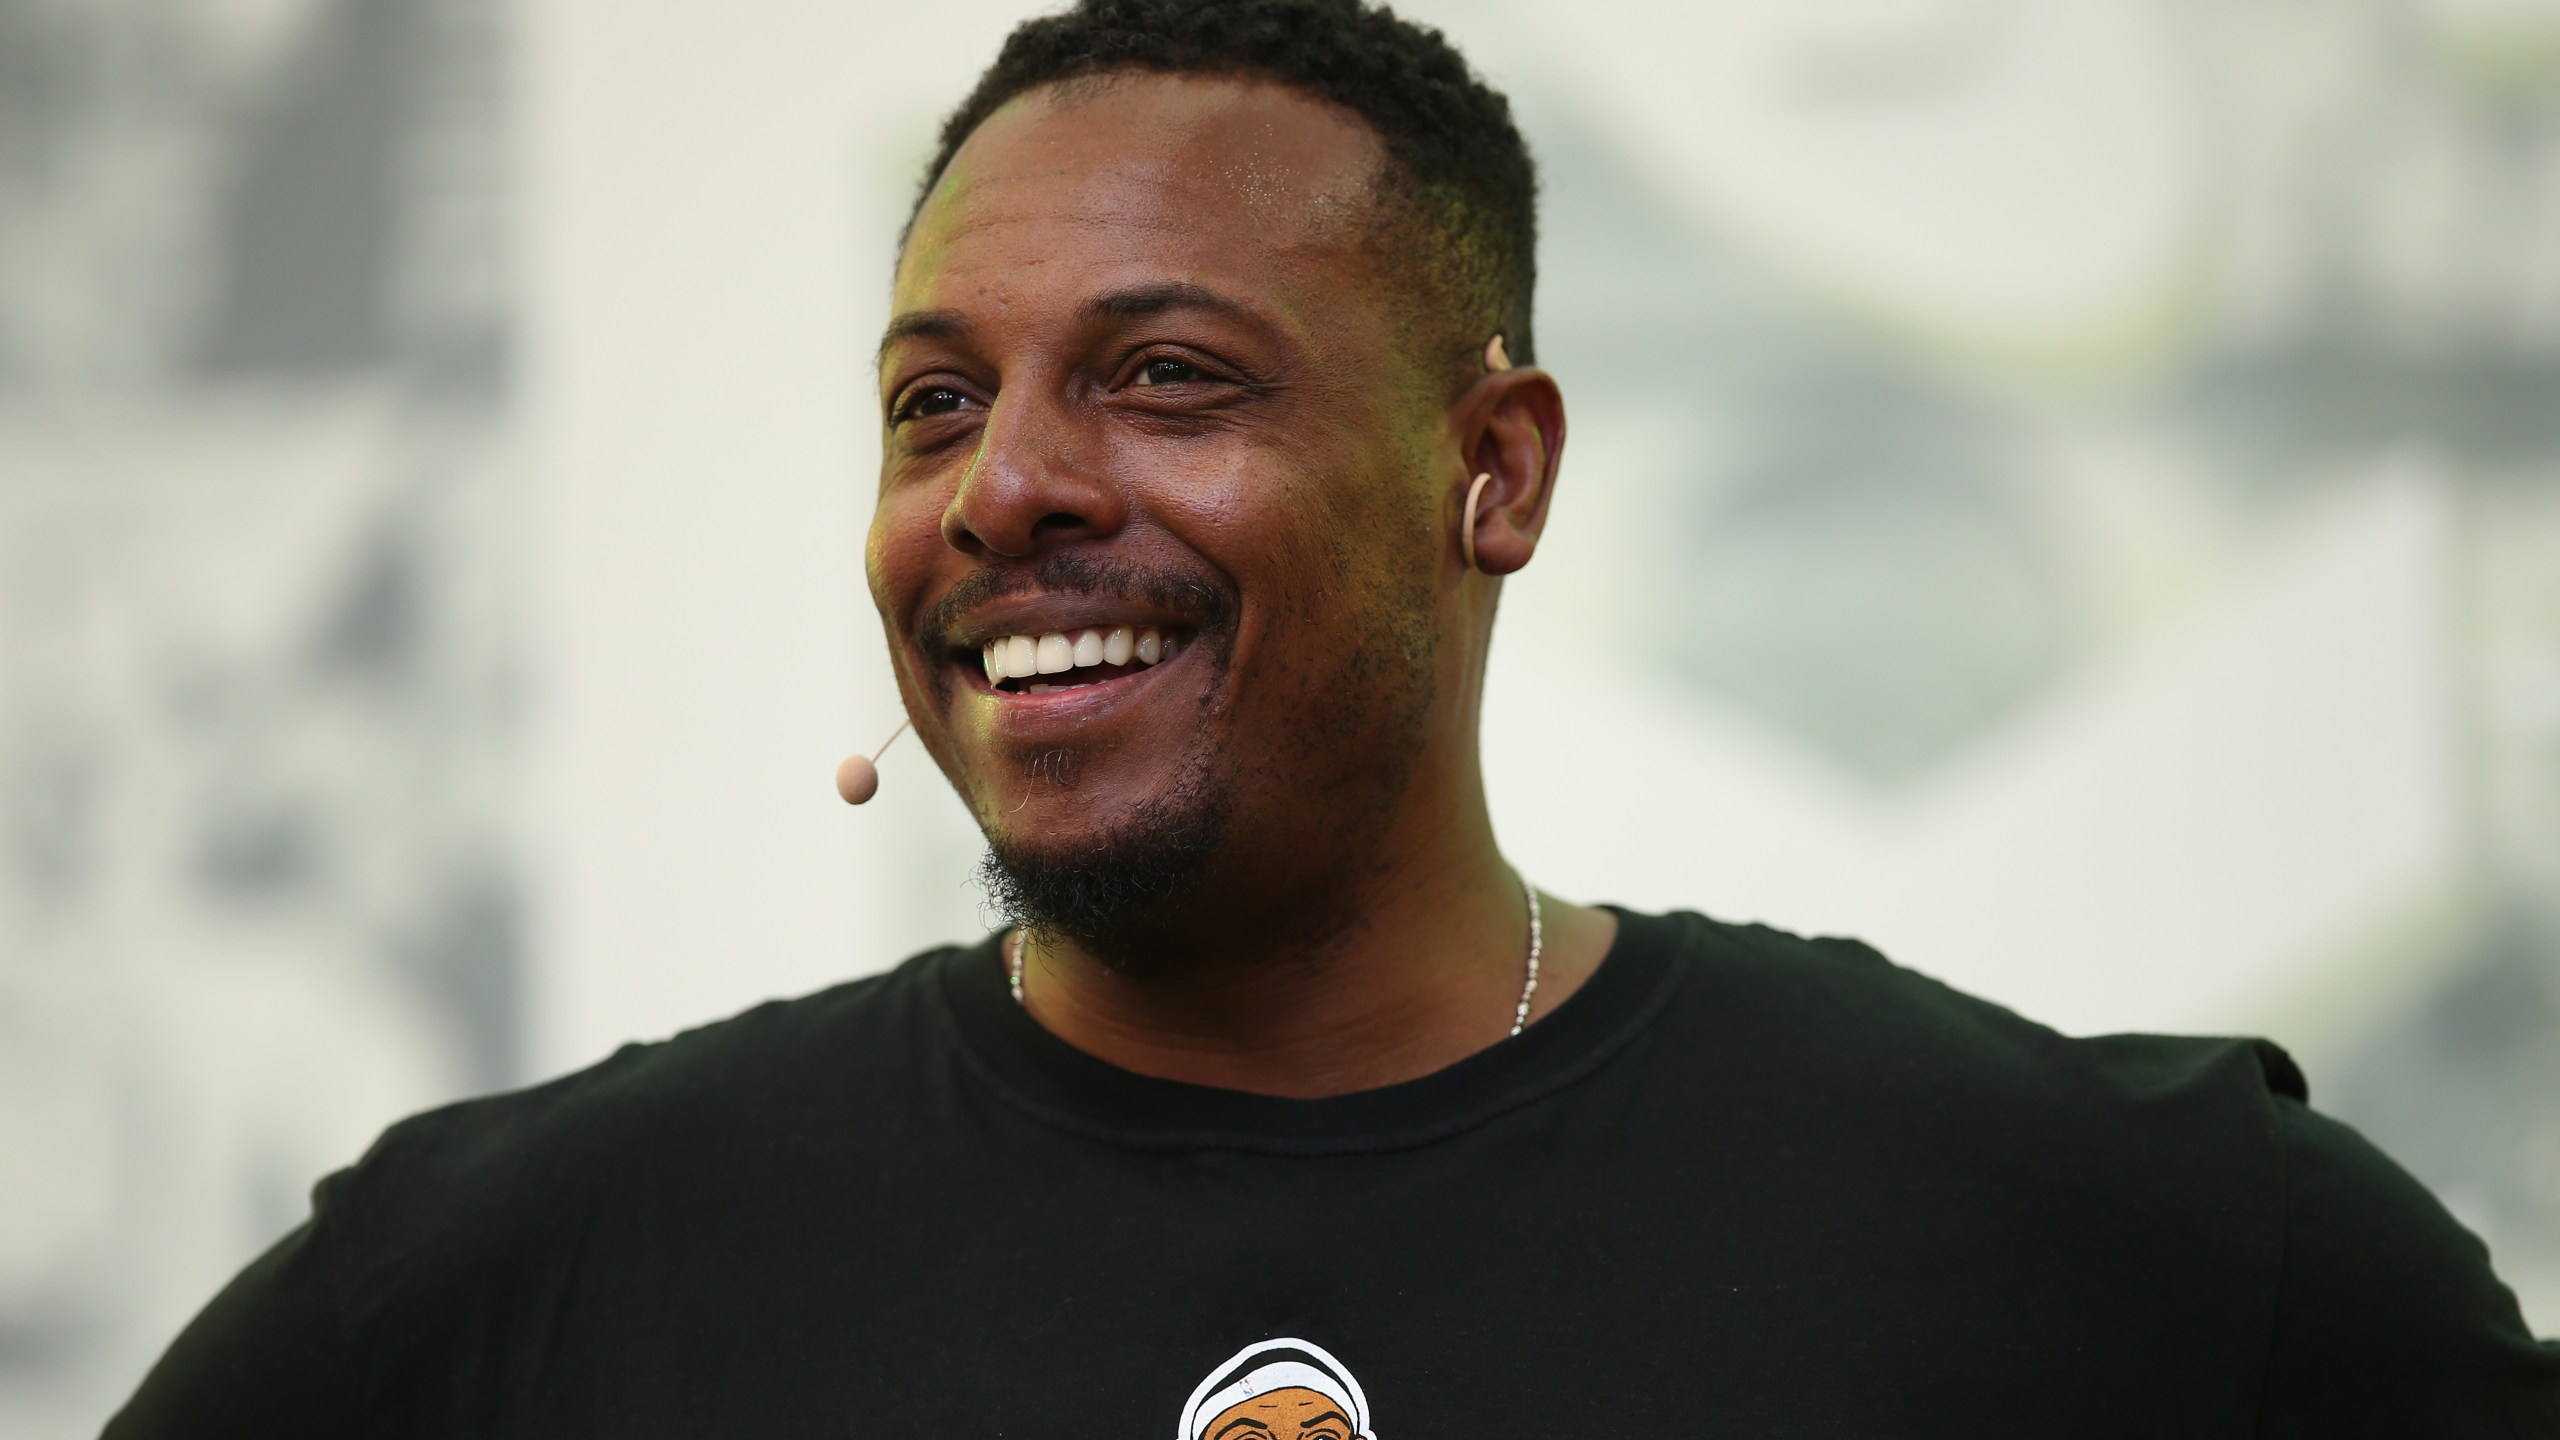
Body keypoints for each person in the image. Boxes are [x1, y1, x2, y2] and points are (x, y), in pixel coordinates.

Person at [110, 0, 2560, 1433]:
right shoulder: (515, 1285)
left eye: (1164, 378)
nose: (1008, 493)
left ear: (1489, 471)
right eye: (932, 405)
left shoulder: (2129, 1249)